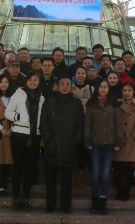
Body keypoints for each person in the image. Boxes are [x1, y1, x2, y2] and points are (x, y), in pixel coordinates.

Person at [40, 75, 84, 214]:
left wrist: (75, 141)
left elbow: (80, 124)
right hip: (52, 147)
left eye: (67, 84)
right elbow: (43, 122)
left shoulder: (76, 103)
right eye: (62, 84)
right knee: (50, 180)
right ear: (57, 86)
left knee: (67, 181)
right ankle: (50, 205)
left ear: (71, 87)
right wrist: (48, 140)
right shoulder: (50, 101)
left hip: (69, 147)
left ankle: (66, 206)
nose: (65, 86)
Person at [5, 71, 45, 211]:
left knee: (30, 167)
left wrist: (42, 135)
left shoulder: (41, 97)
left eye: (36, 80)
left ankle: (26, 196)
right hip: (19, 135)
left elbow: (43, 117)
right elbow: (8, 112)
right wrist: (19, 117)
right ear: (26, 81)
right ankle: (16, 196)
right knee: (18, 166)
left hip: (35, 136)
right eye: (30, 79)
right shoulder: (18, 94)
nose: (33, 82)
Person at [84, 78, 122, 215]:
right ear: (97, 88)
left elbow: (118, 124)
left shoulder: (114, 103)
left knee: (105, 174)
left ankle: (102, 201)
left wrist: (118, 141)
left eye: (106, 86)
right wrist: (87, 141)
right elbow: (87, 124)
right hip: (95, 144)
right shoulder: (91, 104)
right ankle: (94, 202)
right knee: (96, 174)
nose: (103, 89)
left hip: (109, 144)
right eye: (101, 86)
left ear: (109, 88)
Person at [113, 83, 135, 201]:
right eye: (124, 90)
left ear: (133, 92)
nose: (127, 93)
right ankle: (118, 191)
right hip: (118, 141)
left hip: (131, 141)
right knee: (118, 170)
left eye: (129, 90)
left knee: (128, 169)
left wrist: (133, 136)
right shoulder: (117, 103)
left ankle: (126, 192)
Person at [72, 66, 94, 183]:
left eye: (83, 73)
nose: (80, 75)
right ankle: (73, 172)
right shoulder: (70, 87)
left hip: (86, 122)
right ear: (75, 75)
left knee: (84, 149)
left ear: (85, 75)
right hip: (72, 123)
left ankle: (81, 173)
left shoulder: (91, 89)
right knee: (73, 147)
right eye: (78, 73)